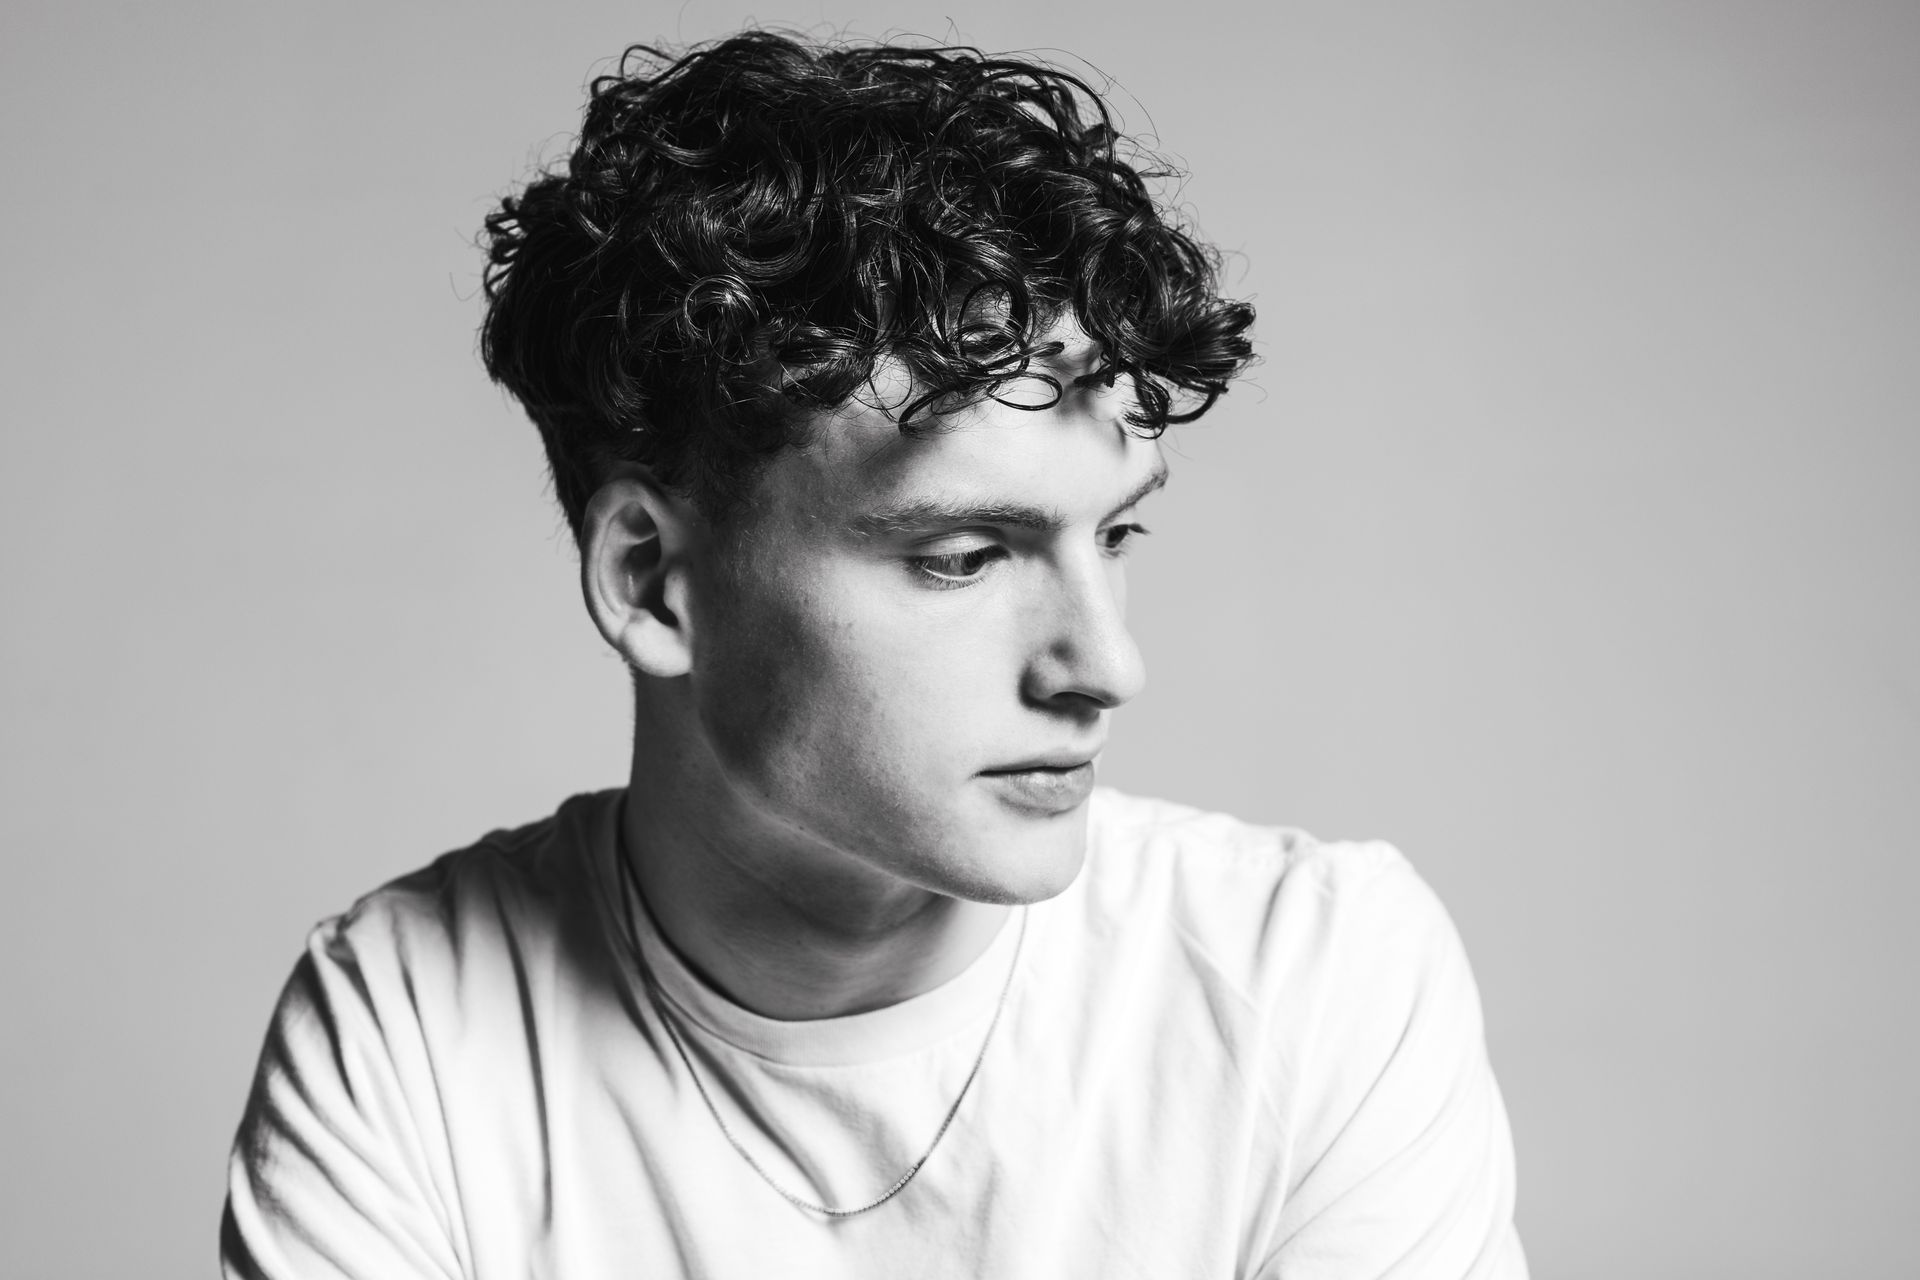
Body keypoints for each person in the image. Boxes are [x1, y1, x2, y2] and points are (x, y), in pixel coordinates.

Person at [221, 29, 1527, 1279]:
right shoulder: (408, 1024)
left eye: (1115, 536)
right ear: (650, 582)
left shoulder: (1314, 978)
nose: (1105, 665)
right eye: (962, 556)